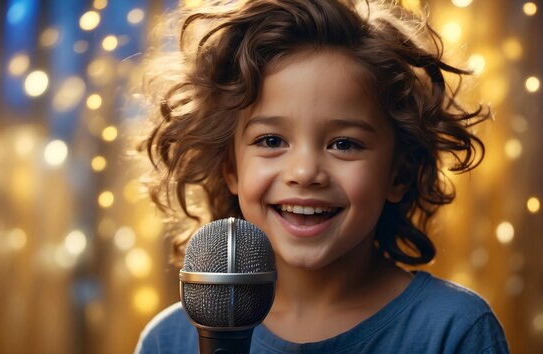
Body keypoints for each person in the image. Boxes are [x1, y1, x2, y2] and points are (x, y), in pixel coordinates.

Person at [135, 0, 509, 352]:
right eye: (271, 140)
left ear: (399, 172)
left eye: (344, 144)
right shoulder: (169, 340)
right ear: (230, 168)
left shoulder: (454, 330)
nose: (305, 172)